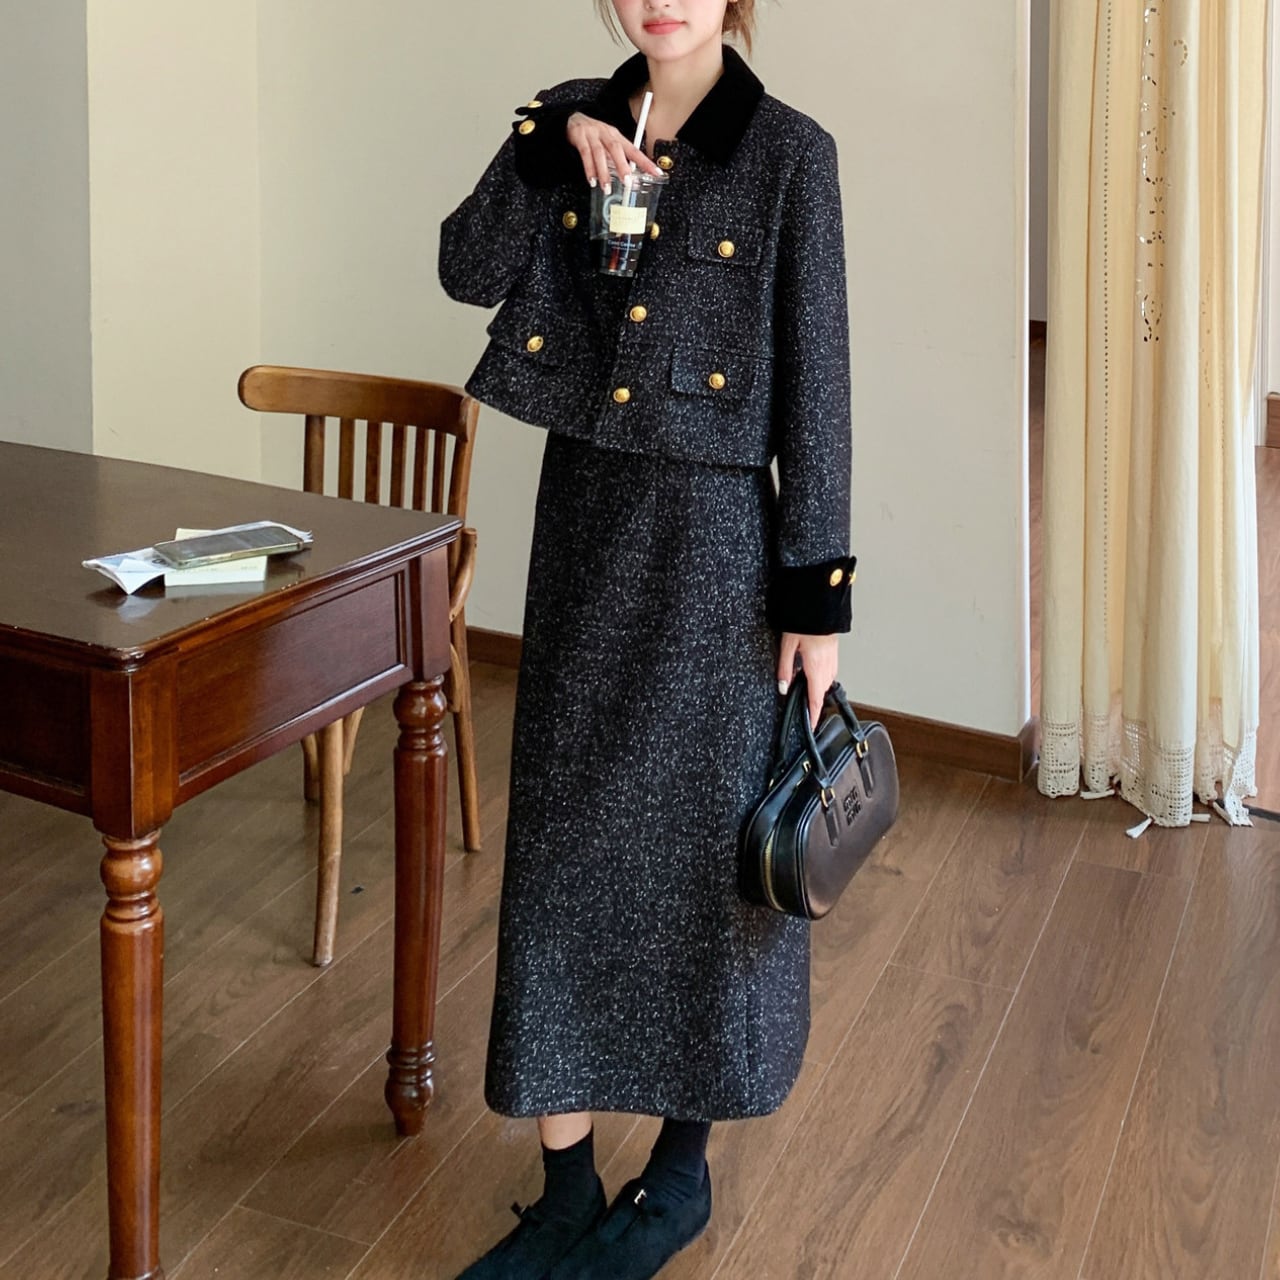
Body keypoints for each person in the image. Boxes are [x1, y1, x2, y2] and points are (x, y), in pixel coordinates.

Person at [438, 1, 853, 1275]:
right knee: (559, 851)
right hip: (582, 526)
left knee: (697, 859)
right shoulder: (568, 118)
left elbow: (818, 383)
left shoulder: (789, 152)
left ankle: (676, 1175)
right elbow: (463, 268)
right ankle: (565, 1188)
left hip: (716, 555)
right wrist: (544, 144)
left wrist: (815, 601)